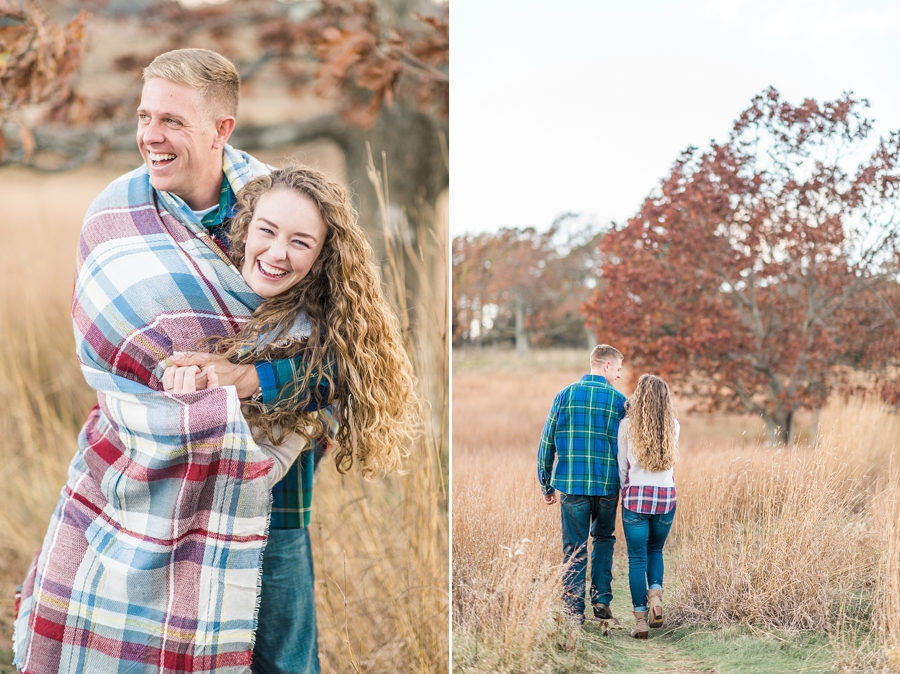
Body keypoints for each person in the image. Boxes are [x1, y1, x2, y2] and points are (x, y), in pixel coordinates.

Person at [13, 49, 416, 674]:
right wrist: (180, 390)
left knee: (282, 663)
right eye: (146, 116)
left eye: (173, 120)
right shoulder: (114, 220)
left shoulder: (285, 210)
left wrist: (248, 377)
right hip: (141, 488)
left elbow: (357, 356)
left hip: (270, 499)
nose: (152, 135)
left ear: (221, 130)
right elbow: (110, 366)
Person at [537, 344, 626, 626]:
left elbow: (546, 443)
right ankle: (601, 601)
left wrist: (546, 484)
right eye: (619, 369)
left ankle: (573, 611)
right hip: (607, 486)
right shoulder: (619, 402)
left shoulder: (564, 396)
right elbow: (627, 449)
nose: (620, 376)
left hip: (572, 486)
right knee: (603, 540)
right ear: (606, 366)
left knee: (574, 547)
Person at [617, 374, 679, 639]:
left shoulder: (626, 426)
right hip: (666, 496)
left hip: (636, 498)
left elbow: (622, 468)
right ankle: (656, 599)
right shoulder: (673, 426)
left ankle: (641, 621)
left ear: (639, 397)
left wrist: (624, 494)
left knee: (637, 559)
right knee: (656, 550)